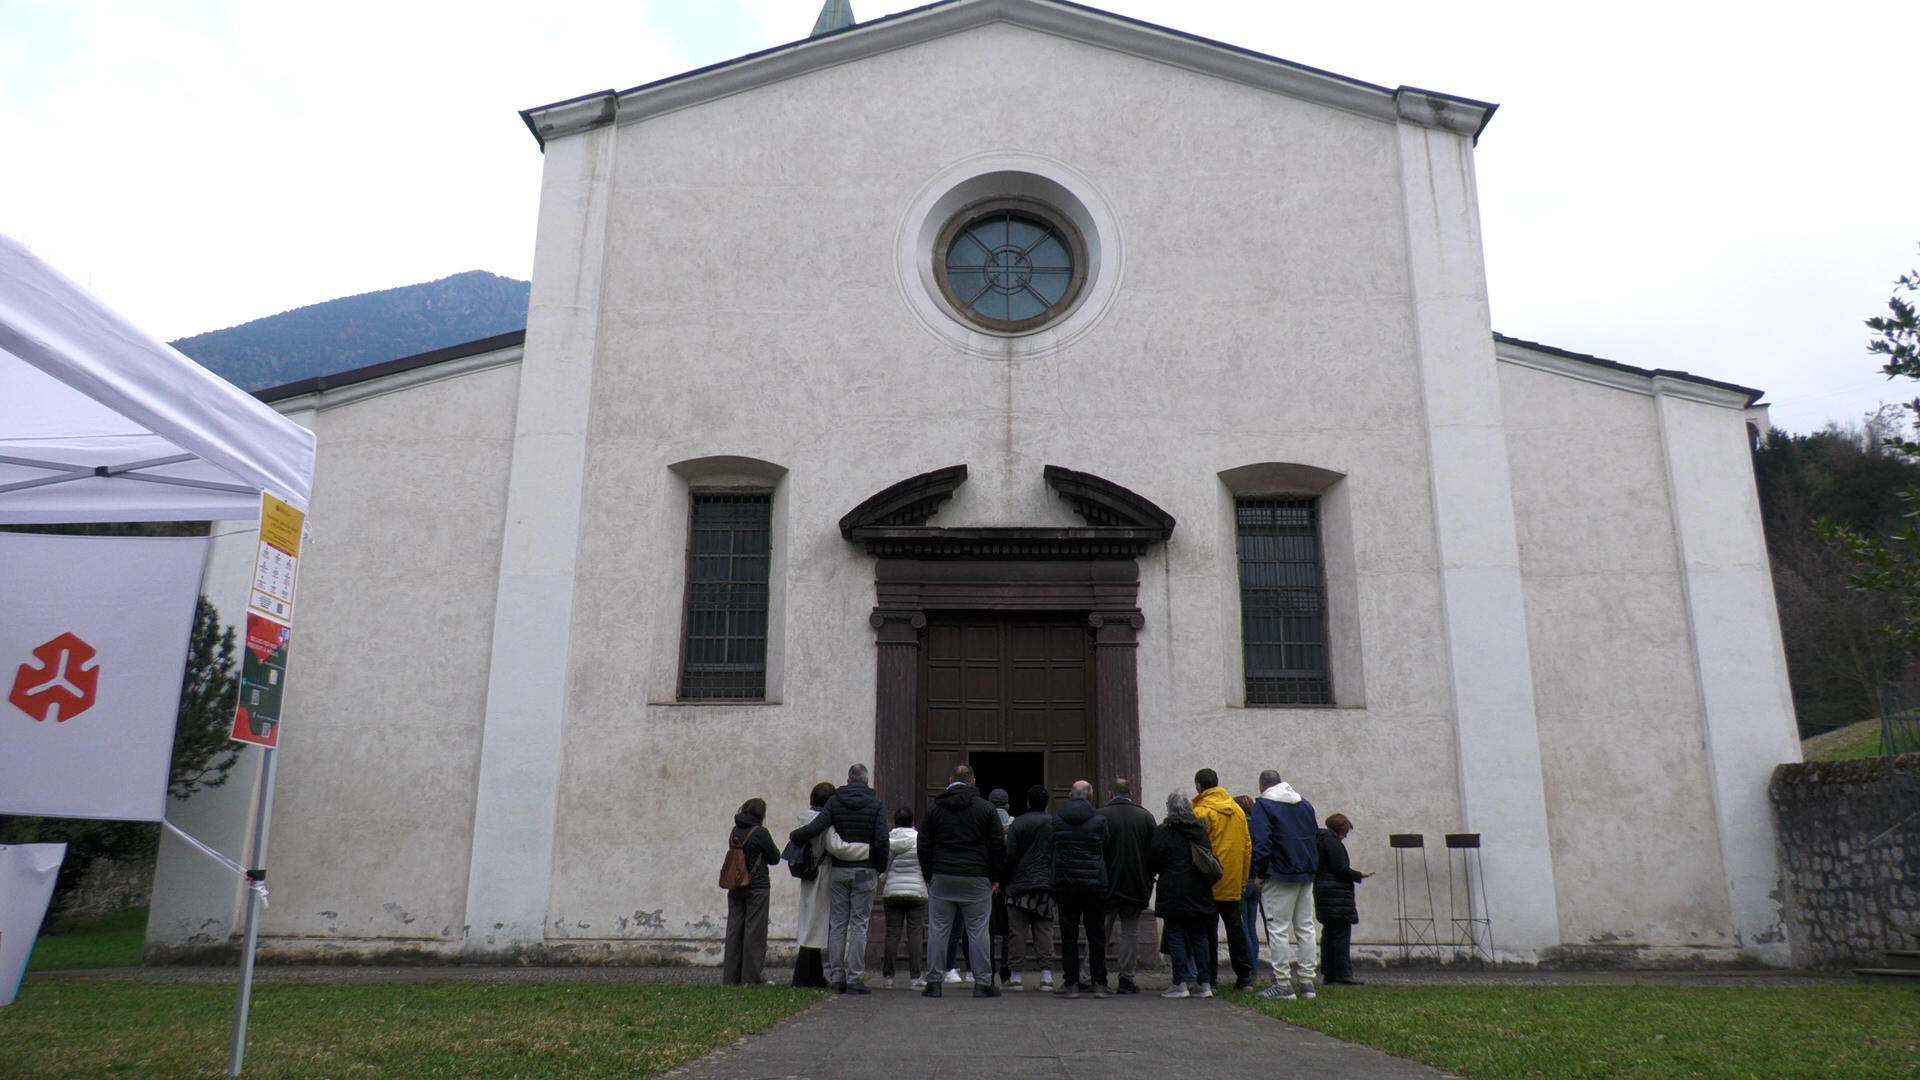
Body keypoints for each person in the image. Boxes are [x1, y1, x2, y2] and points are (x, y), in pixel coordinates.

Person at [789, 763, 889, 994]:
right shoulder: (875, 804)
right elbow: (882, 840)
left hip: (839, 871)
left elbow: (818, 826)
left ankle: (837, 977)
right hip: (865, 870)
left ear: (847, 779)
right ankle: (855, 978)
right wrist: (879, 867)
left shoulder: (835, 801)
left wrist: (796, 836)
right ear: (866, 781)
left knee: (838, 925)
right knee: (860, 925)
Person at [917, 763, 1007, 998]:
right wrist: (995, 876)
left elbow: (924, 844)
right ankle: (982, 983)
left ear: (950, 780)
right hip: (976, 875)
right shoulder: (986, 808)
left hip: (943, 874)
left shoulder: (936, 807)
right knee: (978, 931)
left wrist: (929, 875)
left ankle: (934, 982)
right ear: (973, 782)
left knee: (939, 930)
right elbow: (998, 845)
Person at [1248, 768, 1320, 999]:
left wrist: (1260, 873)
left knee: (1277, 928)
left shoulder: (1264, 805)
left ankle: (1282, 984)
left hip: (1279, 872)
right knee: (1305, 927)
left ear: (1262, 787)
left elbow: (1261, 842)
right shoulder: (1305, 804)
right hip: (1306, 870)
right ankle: (1307, 983)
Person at [1146, 790, 1217, 998]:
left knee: (1175, 934)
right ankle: (1204, 984)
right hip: (1199, 889)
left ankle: (1180, 982)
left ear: (1170, 808)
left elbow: (1153, 859)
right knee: (1199, 935)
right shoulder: (1201, 831)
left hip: (1172, 888)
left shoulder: (1164, 832)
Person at [1192, 768, 1254, 992]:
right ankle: (1244, 977)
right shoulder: (1237, 810)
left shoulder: (1200, 811)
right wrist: (1243, 878)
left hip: (1207, 880)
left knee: (1208, 931)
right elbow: (1247, 846)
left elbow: (1197, 849)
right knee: (1235, 928)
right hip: (1233, 878)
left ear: (1199, 786)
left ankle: (1211, 979)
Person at [1050, 780, 1110, 997]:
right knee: (1096, 934)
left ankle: (1071, 984)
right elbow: (1106, 847)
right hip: (1094, 884)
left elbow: (1052, 848)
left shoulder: (1057, 820)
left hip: (1066, 884)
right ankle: (1100, 984)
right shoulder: (1099, 820)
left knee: (1069, 935)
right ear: (1091, 797)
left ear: (1070, 795)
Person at [1101, 778, 1156, 994]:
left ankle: (1092, 976)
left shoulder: (1101, 816)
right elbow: (1153, 851)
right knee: (1130, 931)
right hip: (1135, 881)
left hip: (1106, 882)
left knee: (1100, 931)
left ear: (1109, 793)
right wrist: (1148, 877)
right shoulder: (1144, 816)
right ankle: (1126, 978)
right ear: (1130, 793)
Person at [722, 797, 782, 985]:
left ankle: (731, 978)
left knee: (734, 930)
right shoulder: (760, 832)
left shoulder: (735, 830)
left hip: (735, 884)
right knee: (754, 933)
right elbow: (774, 858)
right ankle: (751, 978)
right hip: (757, 886)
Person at [1001, 784, 1056, 992]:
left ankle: (1015, 977)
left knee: (1017, 933)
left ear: (1027, 802)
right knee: (1044, 931)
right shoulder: (1054, 823)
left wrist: (1002, 879)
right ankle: (1046, 977)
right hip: (1045, 886)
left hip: (1018, 886)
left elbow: (1010, 855)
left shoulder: (1019, 823)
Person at [1315, 813, 1370, 986]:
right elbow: (1340, 869)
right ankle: (1342, 974)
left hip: (1323, 891)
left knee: (1329, 933)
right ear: (1341, 830)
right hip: (1336, 894)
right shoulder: (1333, 843)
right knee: (1340, 933)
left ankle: (1329, 973)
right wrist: (1358, 875)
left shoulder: (1320, 840)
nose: (1346, 836)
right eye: (1346, 832)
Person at [790, 781, 835, 988]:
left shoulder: (804, 819)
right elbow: (833, 846)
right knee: (815, 927)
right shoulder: (826, 823)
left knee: (811, 923)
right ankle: (803, 977)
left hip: (809, 872)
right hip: (823, 871)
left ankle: (815, 976)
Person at [881, 806, 929, 989]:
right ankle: (915, 978)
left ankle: (888, 977)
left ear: (894, 822)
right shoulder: (920, 840)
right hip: (916, 892)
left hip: (892, 891)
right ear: (912, 822)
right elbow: (925, 864)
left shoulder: (888, 839)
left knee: (892, 934)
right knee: (915, 934)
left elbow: (882, 866)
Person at [1234, 793, 1263, 975]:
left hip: (1242, 879)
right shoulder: (1259, 826)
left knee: (1243, 926)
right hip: (1256, 880)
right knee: (1252, 926)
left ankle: (1248, 967)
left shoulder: (1239, 825)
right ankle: (1255, 969)